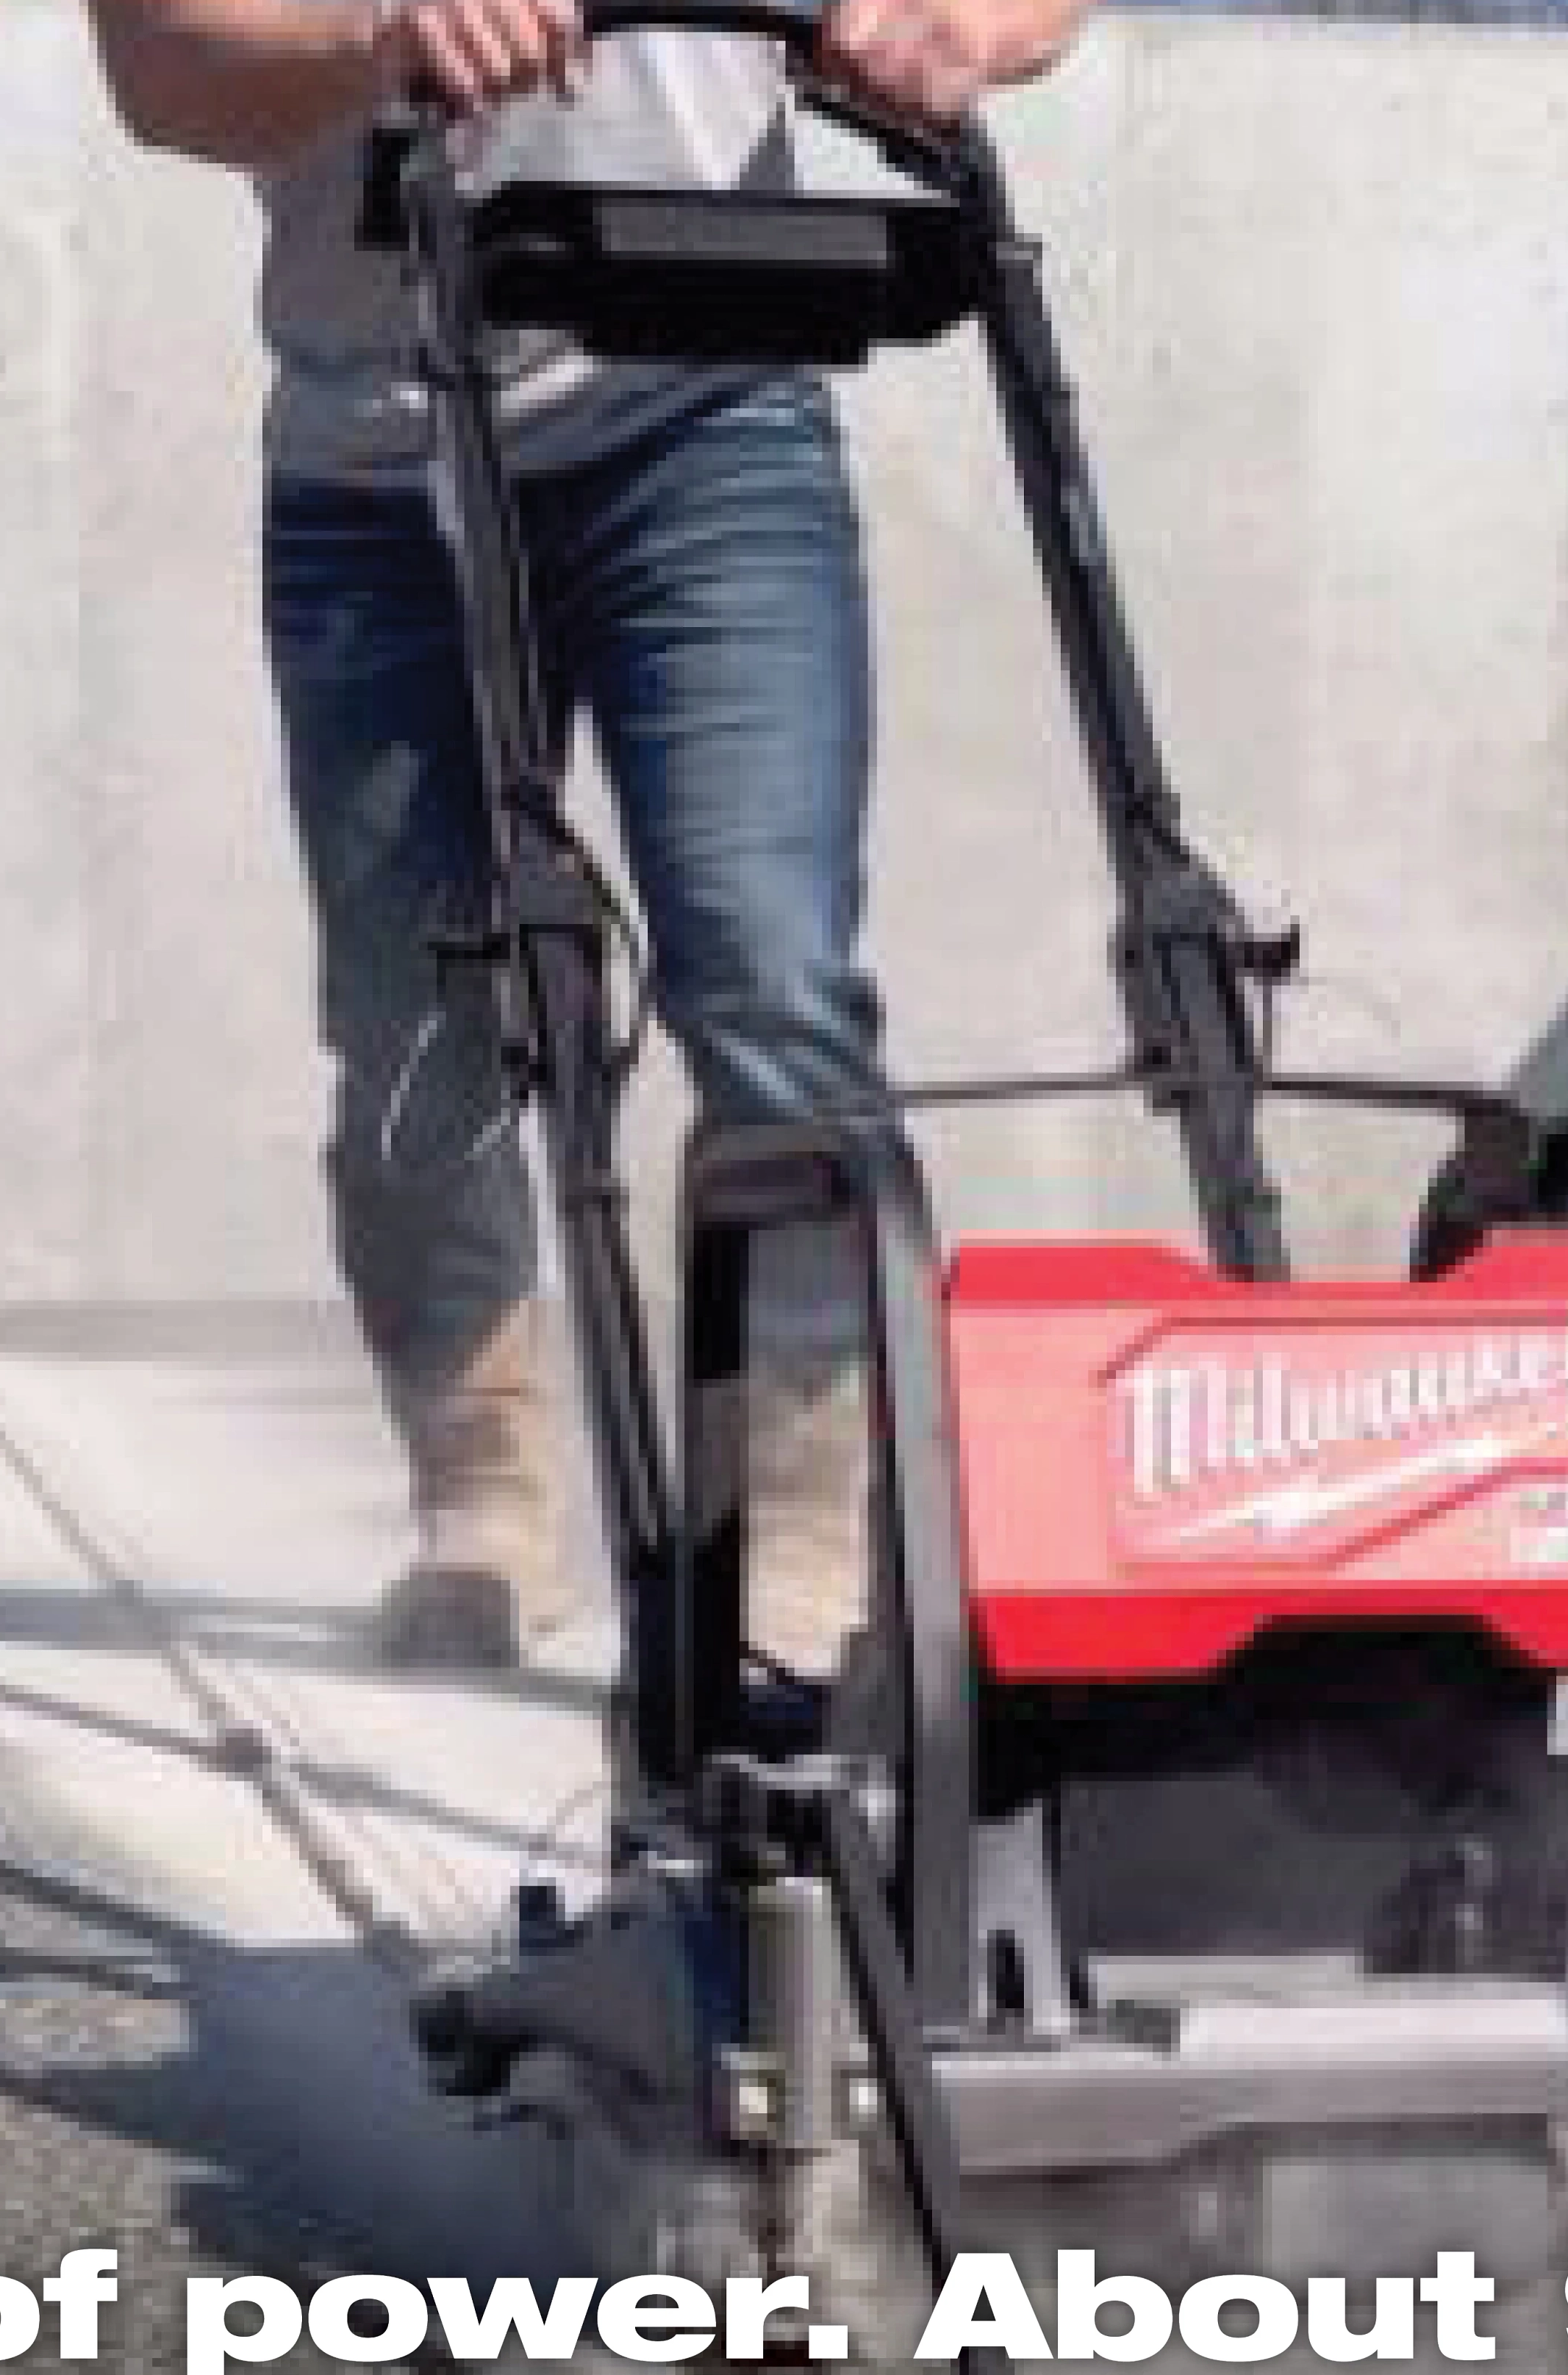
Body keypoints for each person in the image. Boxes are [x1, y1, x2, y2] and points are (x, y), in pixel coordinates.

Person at [89, 0, 1096, 1669]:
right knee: (417, 1026)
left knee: (770, 974)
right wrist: (384, 39)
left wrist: (955, 30)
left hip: (706, 425)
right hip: (374, 458)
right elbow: (166, 73)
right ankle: (481, 1501)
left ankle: (792, 1533)